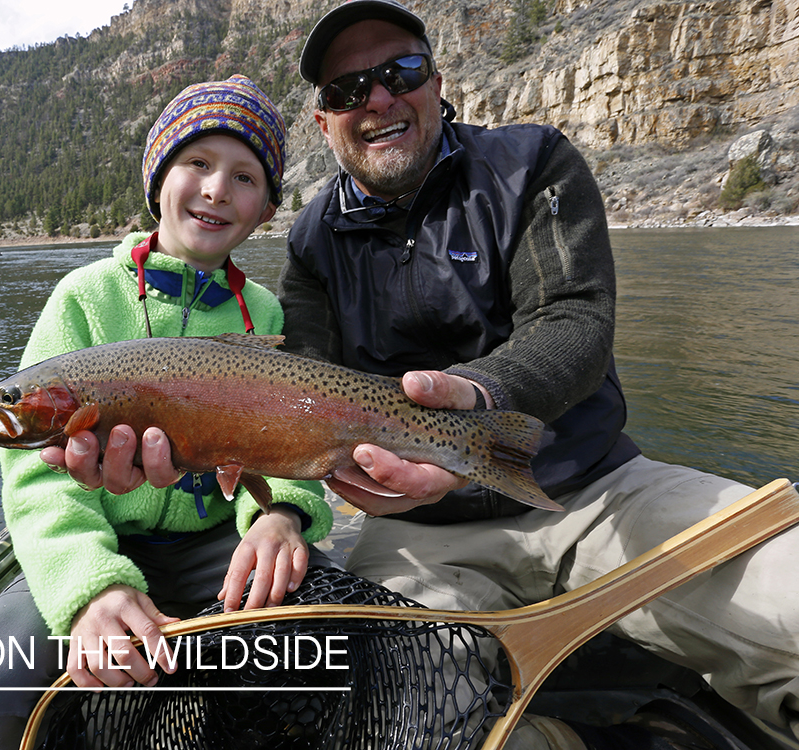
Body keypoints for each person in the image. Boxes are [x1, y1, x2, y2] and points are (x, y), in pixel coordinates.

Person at [54, 2, 799, 749]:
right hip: (416, 533)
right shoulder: (314, 241)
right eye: (348, 90)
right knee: (393, 726)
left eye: (398, 73)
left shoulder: (530, 161)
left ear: (436, 83)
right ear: (324, 122)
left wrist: (479, 399)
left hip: (592, 487)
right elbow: (297, 387)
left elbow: (574, 320)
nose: (376, 99)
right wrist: (248, 473)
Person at [0, 74, 334, 749]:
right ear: (158, 177)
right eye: (196, 164)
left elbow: (289, 439)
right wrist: (88, 590)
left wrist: (279, 514)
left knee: (313, 652)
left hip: (217, 544)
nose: (217, 188)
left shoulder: (265, 316)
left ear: (264, 210)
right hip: (98, 538)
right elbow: (39, 482)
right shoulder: (83, 298)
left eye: (244, 177)